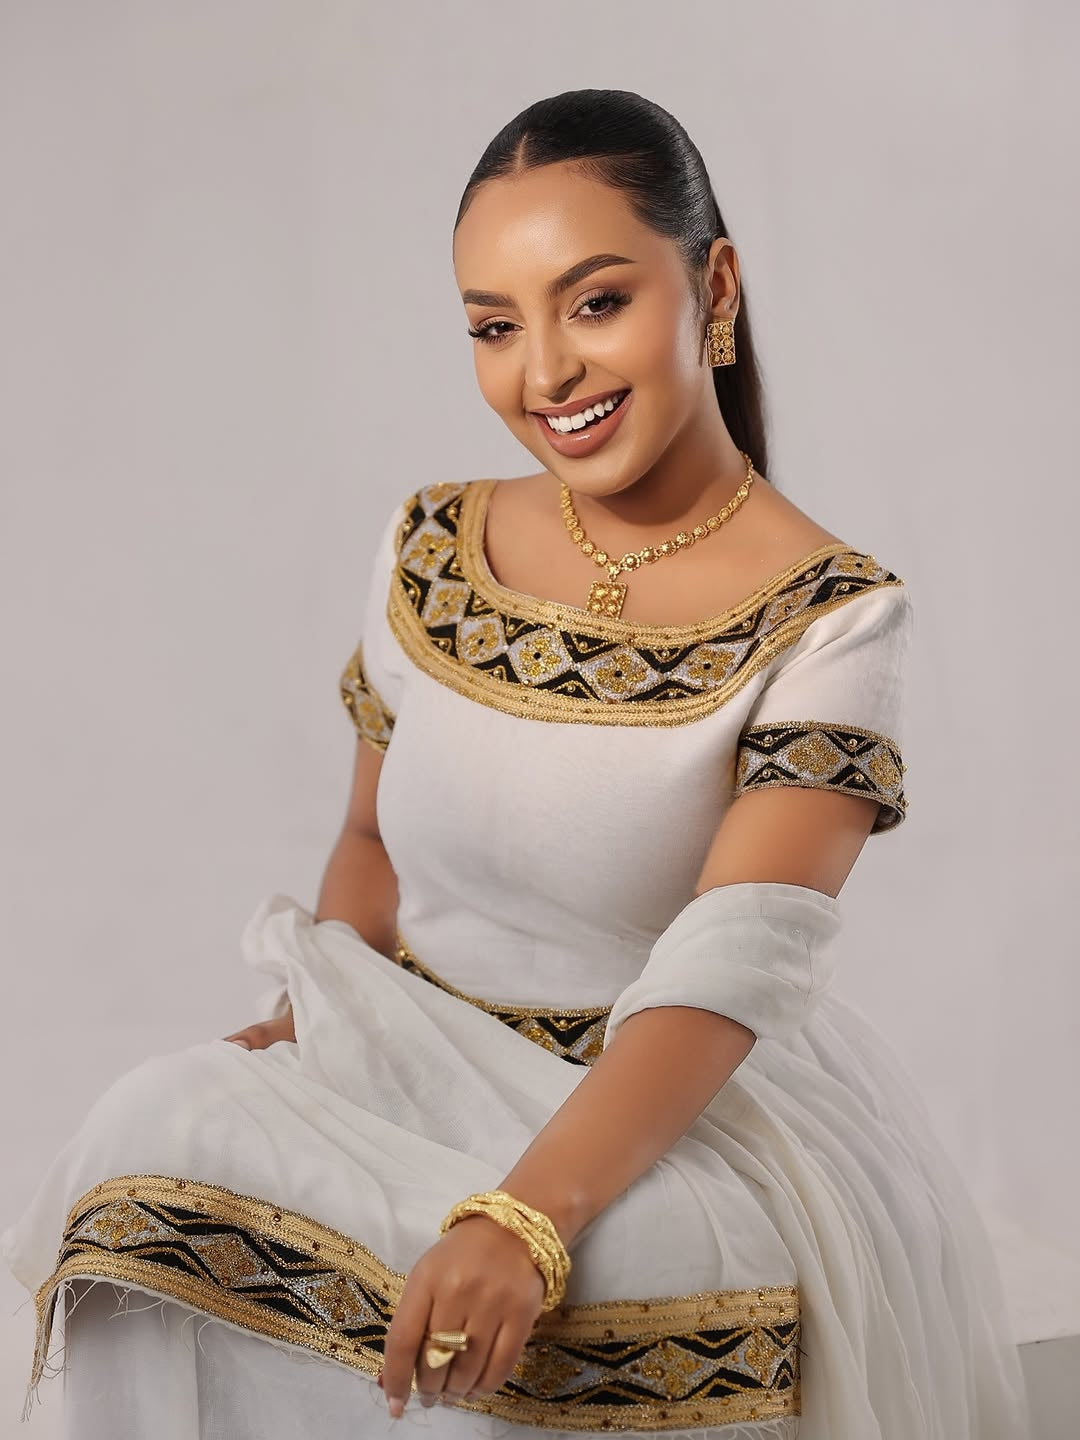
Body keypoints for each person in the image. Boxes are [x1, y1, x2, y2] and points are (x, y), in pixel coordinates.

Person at [3, 88, 1031, 1440]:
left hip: (651, 1105)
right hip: (406, 1052)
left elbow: (730, 965)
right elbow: (371, 842)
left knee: (617, 1274)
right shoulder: (433, 543)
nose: (544, 373)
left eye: (594, 303)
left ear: (714, 286)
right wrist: (328, 1006)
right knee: (153, 1127)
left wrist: (527, 1218)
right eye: (495, 327)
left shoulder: (832, 618)